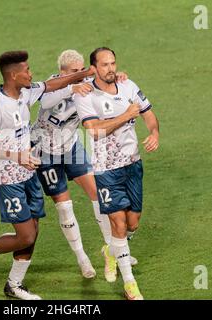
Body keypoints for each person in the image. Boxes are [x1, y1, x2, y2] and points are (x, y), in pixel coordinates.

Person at [0, 50, 95, 300]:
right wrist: (16, 157)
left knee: (32, 232)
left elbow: (51, 84)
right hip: (7, 178)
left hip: (29, 173)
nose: (31, 73)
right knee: (25, 235)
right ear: (14, 75)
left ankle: (14, 284)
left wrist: (83, 74)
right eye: (26, 70)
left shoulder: (25, 92)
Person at [30, 49, 136, 282]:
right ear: (63, 72)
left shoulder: (89, 83)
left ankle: (112, 248)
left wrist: (119, 79)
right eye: (74, 72)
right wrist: (71, 88)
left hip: (71, 147)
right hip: (45, 150)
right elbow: (45, 100)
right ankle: (82, 258)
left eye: (82, 70)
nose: (80, 75)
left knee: (98, 195)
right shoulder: (53, 84)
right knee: (65, 206)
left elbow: (106, 91)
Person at [74, 47, 160, 300]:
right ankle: (130, 285)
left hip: (132, 163)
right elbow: (95, 131)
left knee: (133, 223)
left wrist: (154, 132)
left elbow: (149, 114)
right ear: (94, 68)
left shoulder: (128, 84)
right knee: (118, 223)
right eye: (104, 65)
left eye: (113, 63)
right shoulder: (86, 94)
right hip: (105, 169)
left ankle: (112, 250)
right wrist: (126, 115)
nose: (110, 68)